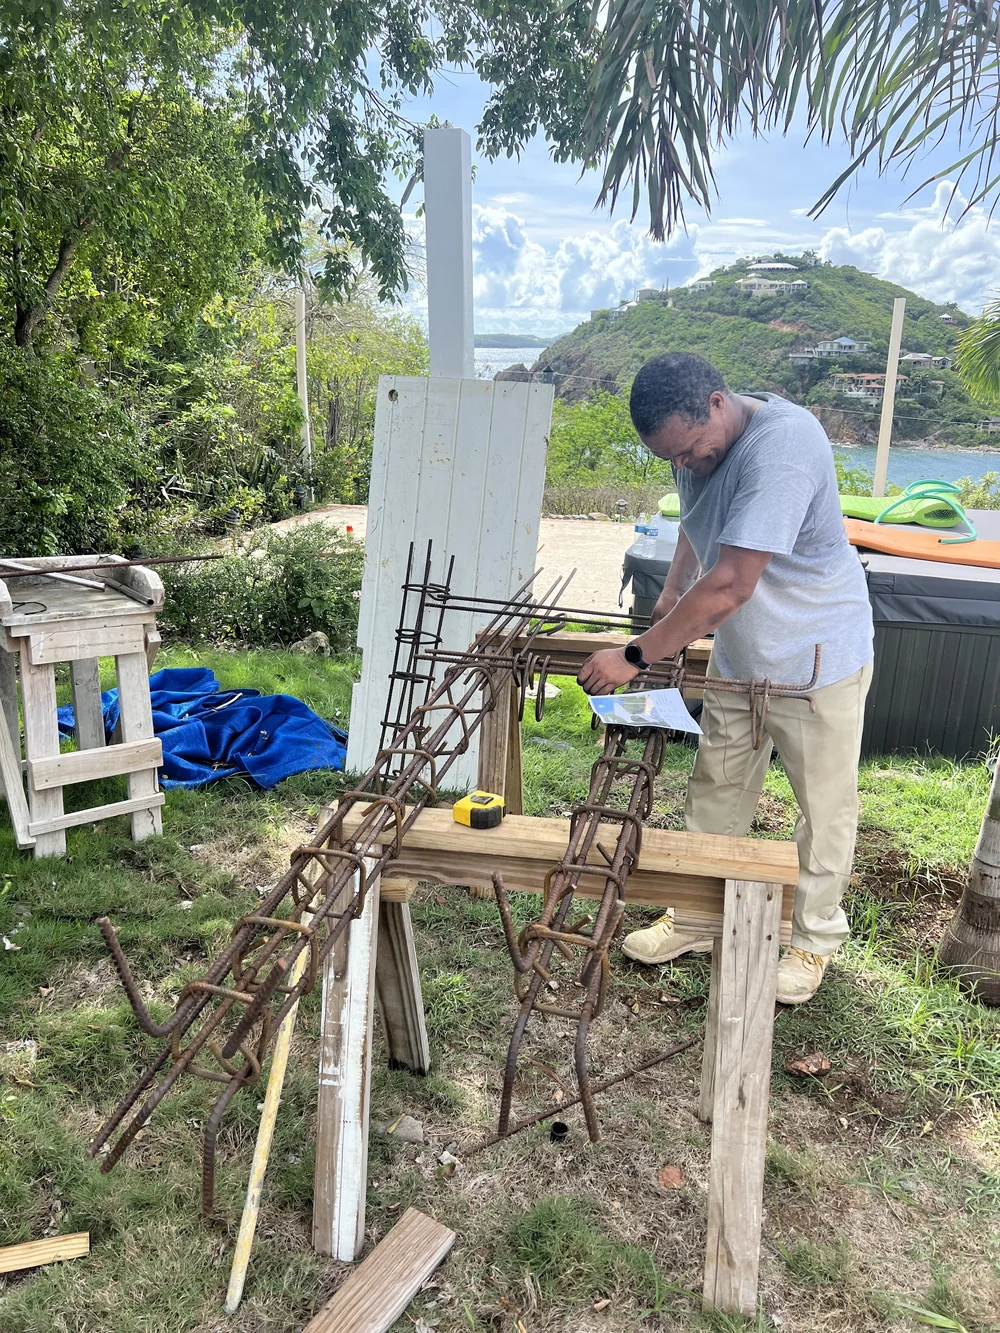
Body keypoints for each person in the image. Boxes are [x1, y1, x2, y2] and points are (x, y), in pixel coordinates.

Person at [576, 352, 874, 1005]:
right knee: (717, 789)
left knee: (825, 810)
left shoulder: (783, 449)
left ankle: (813, 941)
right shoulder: (697, 452)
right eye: (671, 459)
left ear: (718, 402)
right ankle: (698, 919)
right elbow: (696, 516)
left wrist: (634, 654)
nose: (684, 465)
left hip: (814, 660)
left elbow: (735, 581)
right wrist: (674, 586)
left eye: (689, 450)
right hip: (743, 653)